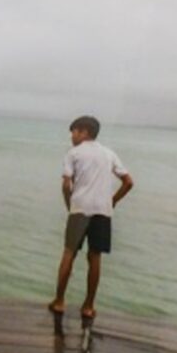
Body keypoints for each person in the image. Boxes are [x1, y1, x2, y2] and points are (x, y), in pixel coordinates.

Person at [50, 116, 133, 322]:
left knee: (69, 253)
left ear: (85, 132)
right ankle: (88, 306)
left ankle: (59, 301)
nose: (72, 136)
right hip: (102, 212)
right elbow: (128, 182)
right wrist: (113, 200)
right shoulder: (109, 153)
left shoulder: (74, 153)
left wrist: (70, 205)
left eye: (74, 132)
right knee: (94, 258)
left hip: (80, 209)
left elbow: (65, 184)